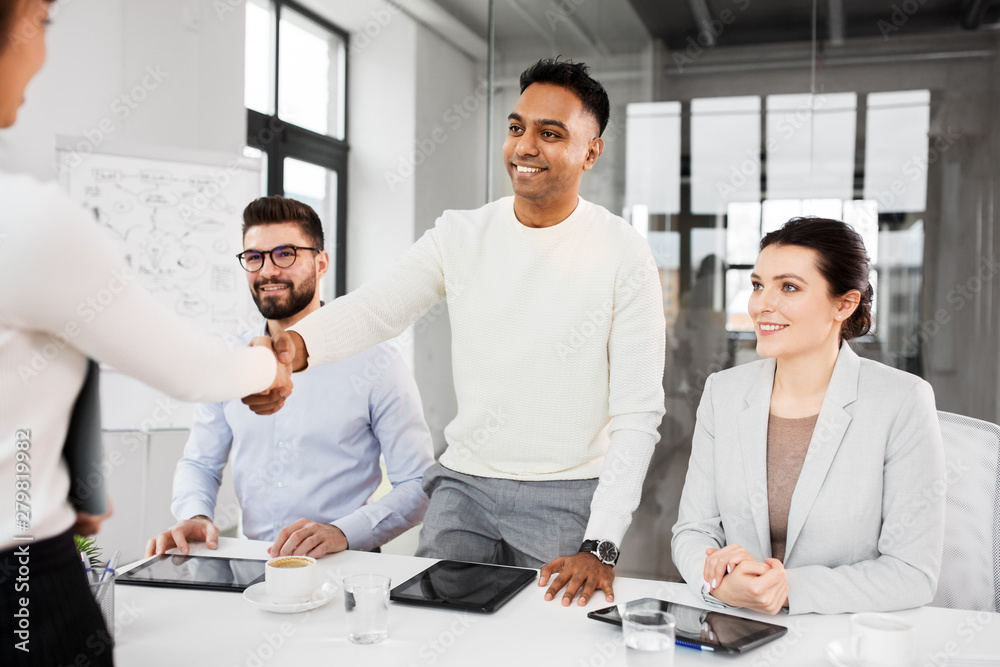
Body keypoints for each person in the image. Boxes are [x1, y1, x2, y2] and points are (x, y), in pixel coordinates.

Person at [245, 58, 666, 608]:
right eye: (516, 128)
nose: (524, 146)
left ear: (592, 151)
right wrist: (291, 349)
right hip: (463, 487)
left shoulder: (623, 252)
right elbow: (377, 309)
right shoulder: (460, 234)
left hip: (565, 495)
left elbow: (637, 414)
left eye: (550, 133)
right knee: (431, 629)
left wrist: (603, 544)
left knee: (541, 642)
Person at [0, 2, 291, 664]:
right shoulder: (27, 220)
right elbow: (187, 369)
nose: (42, 50)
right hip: (19, 578)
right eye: (42, 22)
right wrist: (267, 368)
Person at [671, 217, 946, 615]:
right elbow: (692, 532)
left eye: (789, 287)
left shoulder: (901, 401)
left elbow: (912, 572)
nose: (762, 303)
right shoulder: (723, 393)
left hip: (842, 641)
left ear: (844, 304)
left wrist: (787, 589)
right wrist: (717, 582)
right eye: (757, 285)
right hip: (738, 629)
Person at [146, 197, 434, 559]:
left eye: (285, 254)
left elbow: (418, 485)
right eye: (254, 257)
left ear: (321, 262)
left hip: (345, 563)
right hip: (251, 565)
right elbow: (200, 463)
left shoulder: (377, 362)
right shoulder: (231, 360)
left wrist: (342, 533)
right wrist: (194, 514)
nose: (267, 271)